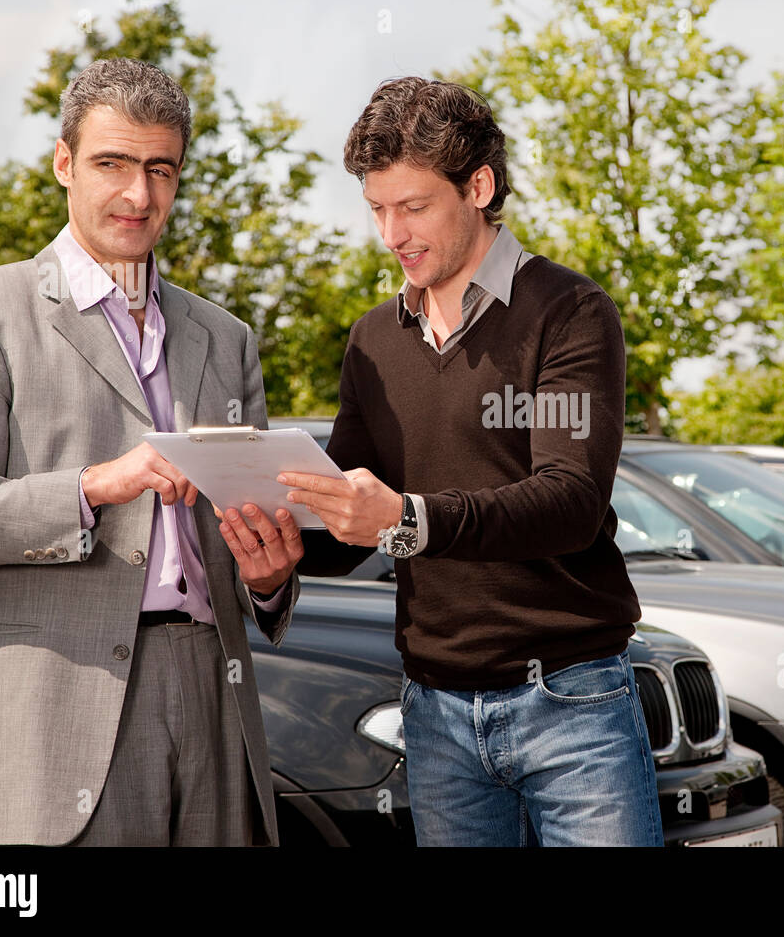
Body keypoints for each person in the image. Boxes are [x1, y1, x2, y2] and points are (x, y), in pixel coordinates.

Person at [0, 57, 305, 846]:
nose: (138, 195)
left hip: (215, 696)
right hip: (59, 708)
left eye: (160, 169)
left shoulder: (226, 337)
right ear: (63, 162)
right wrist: (96, 486)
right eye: (112, 164)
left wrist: (272, 576)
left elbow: (249, 537)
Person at [281, 76, 664, 846]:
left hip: (570, 701)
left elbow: (568, 500)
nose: (392, 233)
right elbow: (347, 518)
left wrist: (408, 519)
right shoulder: (372, 341)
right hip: (433, 713)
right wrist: (275, 554)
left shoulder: (569, 312)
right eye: (377, 209)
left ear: (478, 187)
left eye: (413, 206)